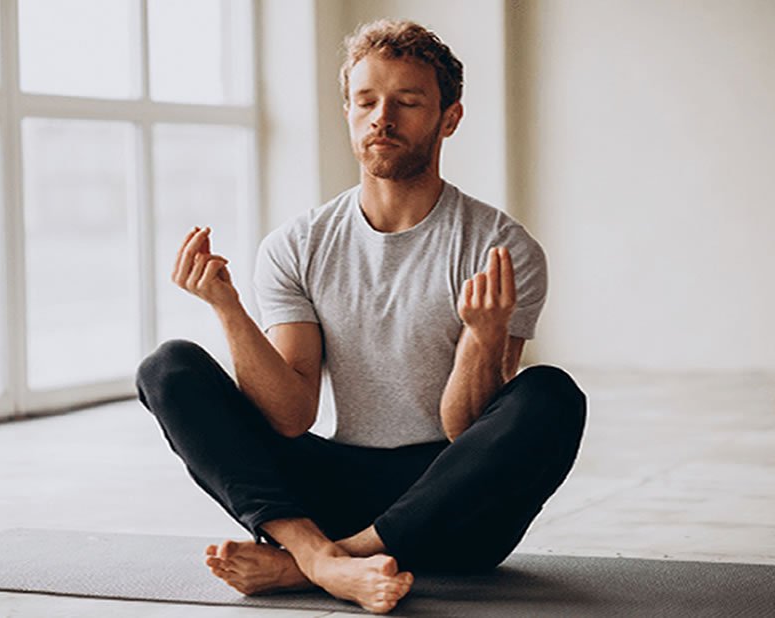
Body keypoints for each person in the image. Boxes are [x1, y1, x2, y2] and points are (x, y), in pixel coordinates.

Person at [136, 19, 586, 615]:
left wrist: (482, 335)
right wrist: (229, 310)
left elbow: (466, 431)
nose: (383, 118)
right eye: (367, 101)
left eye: (407, 102)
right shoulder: (298, 244)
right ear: (347, 110)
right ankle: (317, 554)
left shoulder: (501, 248)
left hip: (453, 510)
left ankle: (322, 562)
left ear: (448, 118)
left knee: (552, 395)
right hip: (331, 489)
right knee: (168, 367)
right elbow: (293, 417)